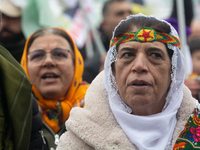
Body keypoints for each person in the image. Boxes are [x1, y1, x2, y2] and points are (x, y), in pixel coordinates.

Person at [57, 14, 200, 150]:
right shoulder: (78, 140)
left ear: (173, 72)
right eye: (127, 55)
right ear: (112, 72)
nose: (139, 66)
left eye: (155, 55)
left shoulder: (195, 127)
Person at [20, 27, 90, 149]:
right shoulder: (13, 113)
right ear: (25, 65)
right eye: (37, 55)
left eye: (59, 54)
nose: (48, 61)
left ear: (76, 63)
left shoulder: (102, 107)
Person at [82, 0, 133, 83]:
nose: (128, 17)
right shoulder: (92, 67)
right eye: (120, 14)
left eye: (130, 12)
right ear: (105, 24)